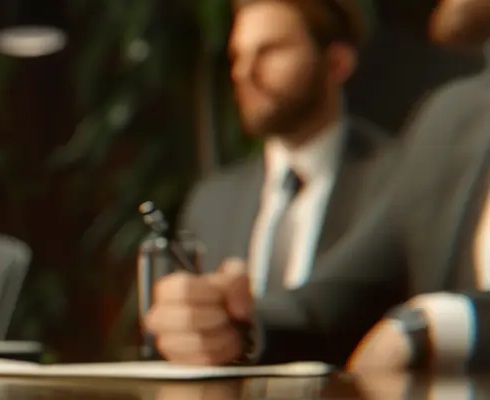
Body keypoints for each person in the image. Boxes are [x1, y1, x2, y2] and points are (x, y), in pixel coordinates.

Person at [144, 0, 490, 371]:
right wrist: (234, 326)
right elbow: (336, 303)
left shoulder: (390, 161)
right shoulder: (450, 119)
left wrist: (441, 323)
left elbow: (427, 325)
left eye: (271, 51)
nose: (244, 74)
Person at [178, 0, 395, 300]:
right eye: (237, 56)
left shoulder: (396, 182)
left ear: (336, 64)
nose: (243, 73)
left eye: (269, 51)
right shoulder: (210, 204)